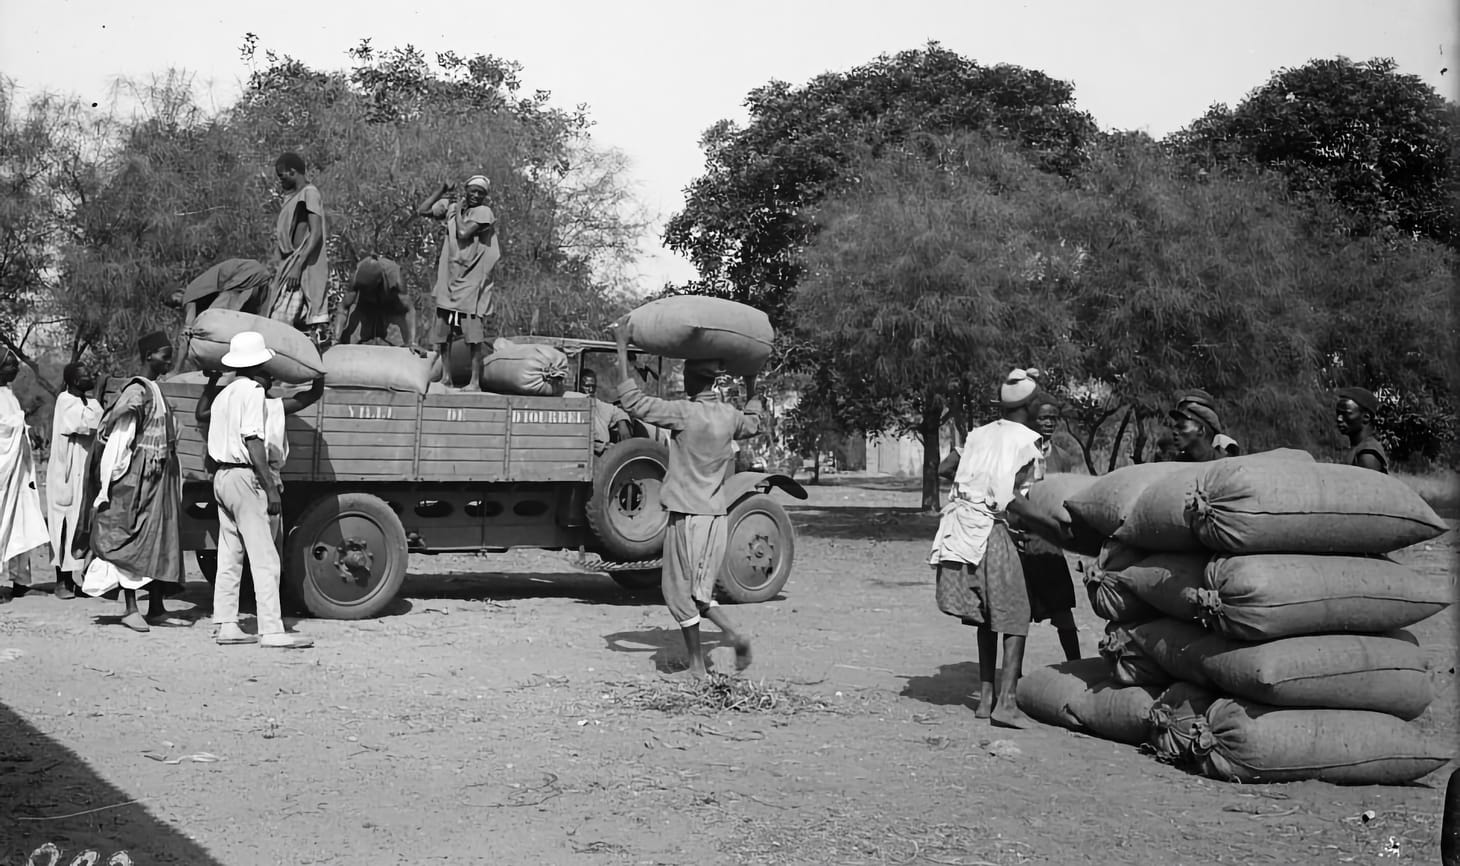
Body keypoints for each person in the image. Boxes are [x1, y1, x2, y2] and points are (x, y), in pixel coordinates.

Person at [614, 322, 761, 677]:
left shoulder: (683, 413)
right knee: (699, 589)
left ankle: (727, 640)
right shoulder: (729, 417)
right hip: (716, 518)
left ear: (693, 383)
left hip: (688, 517)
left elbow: (633, 402)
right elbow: (754, 421)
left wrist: (621, 349)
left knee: (681, 593)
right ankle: (700, 662)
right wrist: (752, 381)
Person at [928, 368, 1063, 728]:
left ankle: (985, 698)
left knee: (987, 615)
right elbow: (1009, 498)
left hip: (959, 532)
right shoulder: (1026, 439)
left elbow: (953, 472)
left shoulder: (979, 434)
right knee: (1016, 616)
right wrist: (1053, 526)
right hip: (990, 531)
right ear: (1031, 405)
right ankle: (1007, 702)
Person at [199, 331, 317, 649]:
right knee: (265, 558)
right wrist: (270, 487)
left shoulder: (225, 394)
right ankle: (271, 631)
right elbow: (253, 440)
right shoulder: (252, 391)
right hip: (245, 478)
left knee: (230, 553)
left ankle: (226, 624)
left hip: (222, 478)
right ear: (260, 366)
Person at [75, 332, 186, 631]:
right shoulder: (137, 392)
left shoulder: (155, 390)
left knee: (157, 541)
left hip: (157, 483)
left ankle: (157, 607)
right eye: (165, 354)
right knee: (128, 540)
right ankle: (130, 607)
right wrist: (106, 487)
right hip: (134, 481)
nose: (169, 359)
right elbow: (118, 442)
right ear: (149, 355)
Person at [1011, 392, 1081, 662]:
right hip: (1017, 539)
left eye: (1053, 418)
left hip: (1049, 542)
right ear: (1031, 421)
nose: (1049, 423)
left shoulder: (1061, 457)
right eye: (1043, 418)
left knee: (1063, 612)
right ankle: (1013, 677)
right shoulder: (1018, 454)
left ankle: (1076, 667)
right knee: (1017, 615)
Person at [418, 176, 501, 390]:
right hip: (450, 276)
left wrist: (454, 211)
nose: (475, 196)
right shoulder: (453, 207)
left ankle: (475, 382)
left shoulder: (484, 212)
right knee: (443, 331)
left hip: (472, 279)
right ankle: (446, 376)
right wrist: (441, 189)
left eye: (480, 193)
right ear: (466, 190)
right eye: (472, 191)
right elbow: (423, 210)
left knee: (473, 335)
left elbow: (463, 233)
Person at [46, 361, 102, 599]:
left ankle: (76, 579)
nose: (90, 377)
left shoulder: (90, 402)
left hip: (85, 471)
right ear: (74, 381)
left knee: (81, 523)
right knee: (63, 524)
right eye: (85, 375)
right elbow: (86, 425)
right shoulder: (65, 401)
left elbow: (98, 420)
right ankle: (61, 580)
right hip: (66, 473)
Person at [262, 153, 330, 340]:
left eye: (282, 176)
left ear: (292, 172)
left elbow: (315, 233)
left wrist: (298, 266)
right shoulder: (293, 197)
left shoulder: (310, 193)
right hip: (289, 265)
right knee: (277, 318)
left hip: (301, 267)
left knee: (279, 324)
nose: (280, 181)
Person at [1, 348, 50, 604]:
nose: (16, 368)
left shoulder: (8, 394)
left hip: (16, 475)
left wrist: (26, 426)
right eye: (10, 364)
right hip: (2, 475)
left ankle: (20, 582)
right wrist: (22, 423)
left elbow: (14, 423)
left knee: (20, 525)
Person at [332, 255, 419, 349]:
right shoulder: (356, 276)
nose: (367, 290)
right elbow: (343, 307)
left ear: (379, 281)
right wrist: (336, 340)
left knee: (406, 350)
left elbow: (409, 310)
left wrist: (412, 342)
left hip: (391, 309)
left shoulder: (396, 277)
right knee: (346, 344)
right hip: (364, 308)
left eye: (369, 288)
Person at [1335, 386, 1389, 474]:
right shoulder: (1358, 449)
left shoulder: (1367, 456)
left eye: (1346, 414)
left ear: (1366, 417)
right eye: (1338, 413)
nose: (1339, 419)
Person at [579, 368, 632, 455]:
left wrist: (622, 422)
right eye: (587, 386)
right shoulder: (571, 402)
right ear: (578, 385)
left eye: (594, 386)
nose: (591, 390)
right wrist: (602, 446)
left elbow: (615, 411)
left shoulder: (595, 403)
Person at [1175, 389, 1240, 456]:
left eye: (1182, 426)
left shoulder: (1224, 445)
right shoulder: (1182, 458)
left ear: (1201, 430)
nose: (1175, 432)